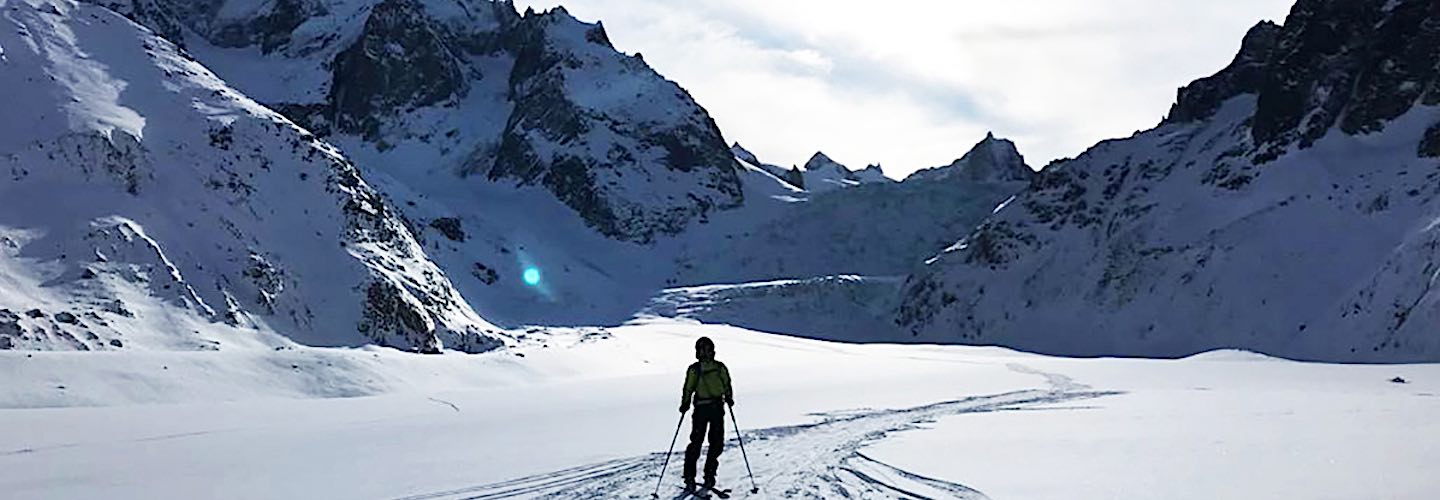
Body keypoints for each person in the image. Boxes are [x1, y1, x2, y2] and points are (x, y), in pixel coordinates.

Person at [679, 336, 733, 490]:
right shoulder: (698, 369)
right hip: (706, 408)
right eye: (702, 349)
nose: (704, 352)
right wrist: (685, 403)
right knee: (698, 442)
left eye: (706, 349)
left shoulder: (714, 367)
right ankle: (692, 476)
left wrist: (729, 396)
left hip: (713, 407)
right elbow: (688, 388)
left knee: (715, 443)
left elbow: (726, 383)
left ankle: (707, 475)